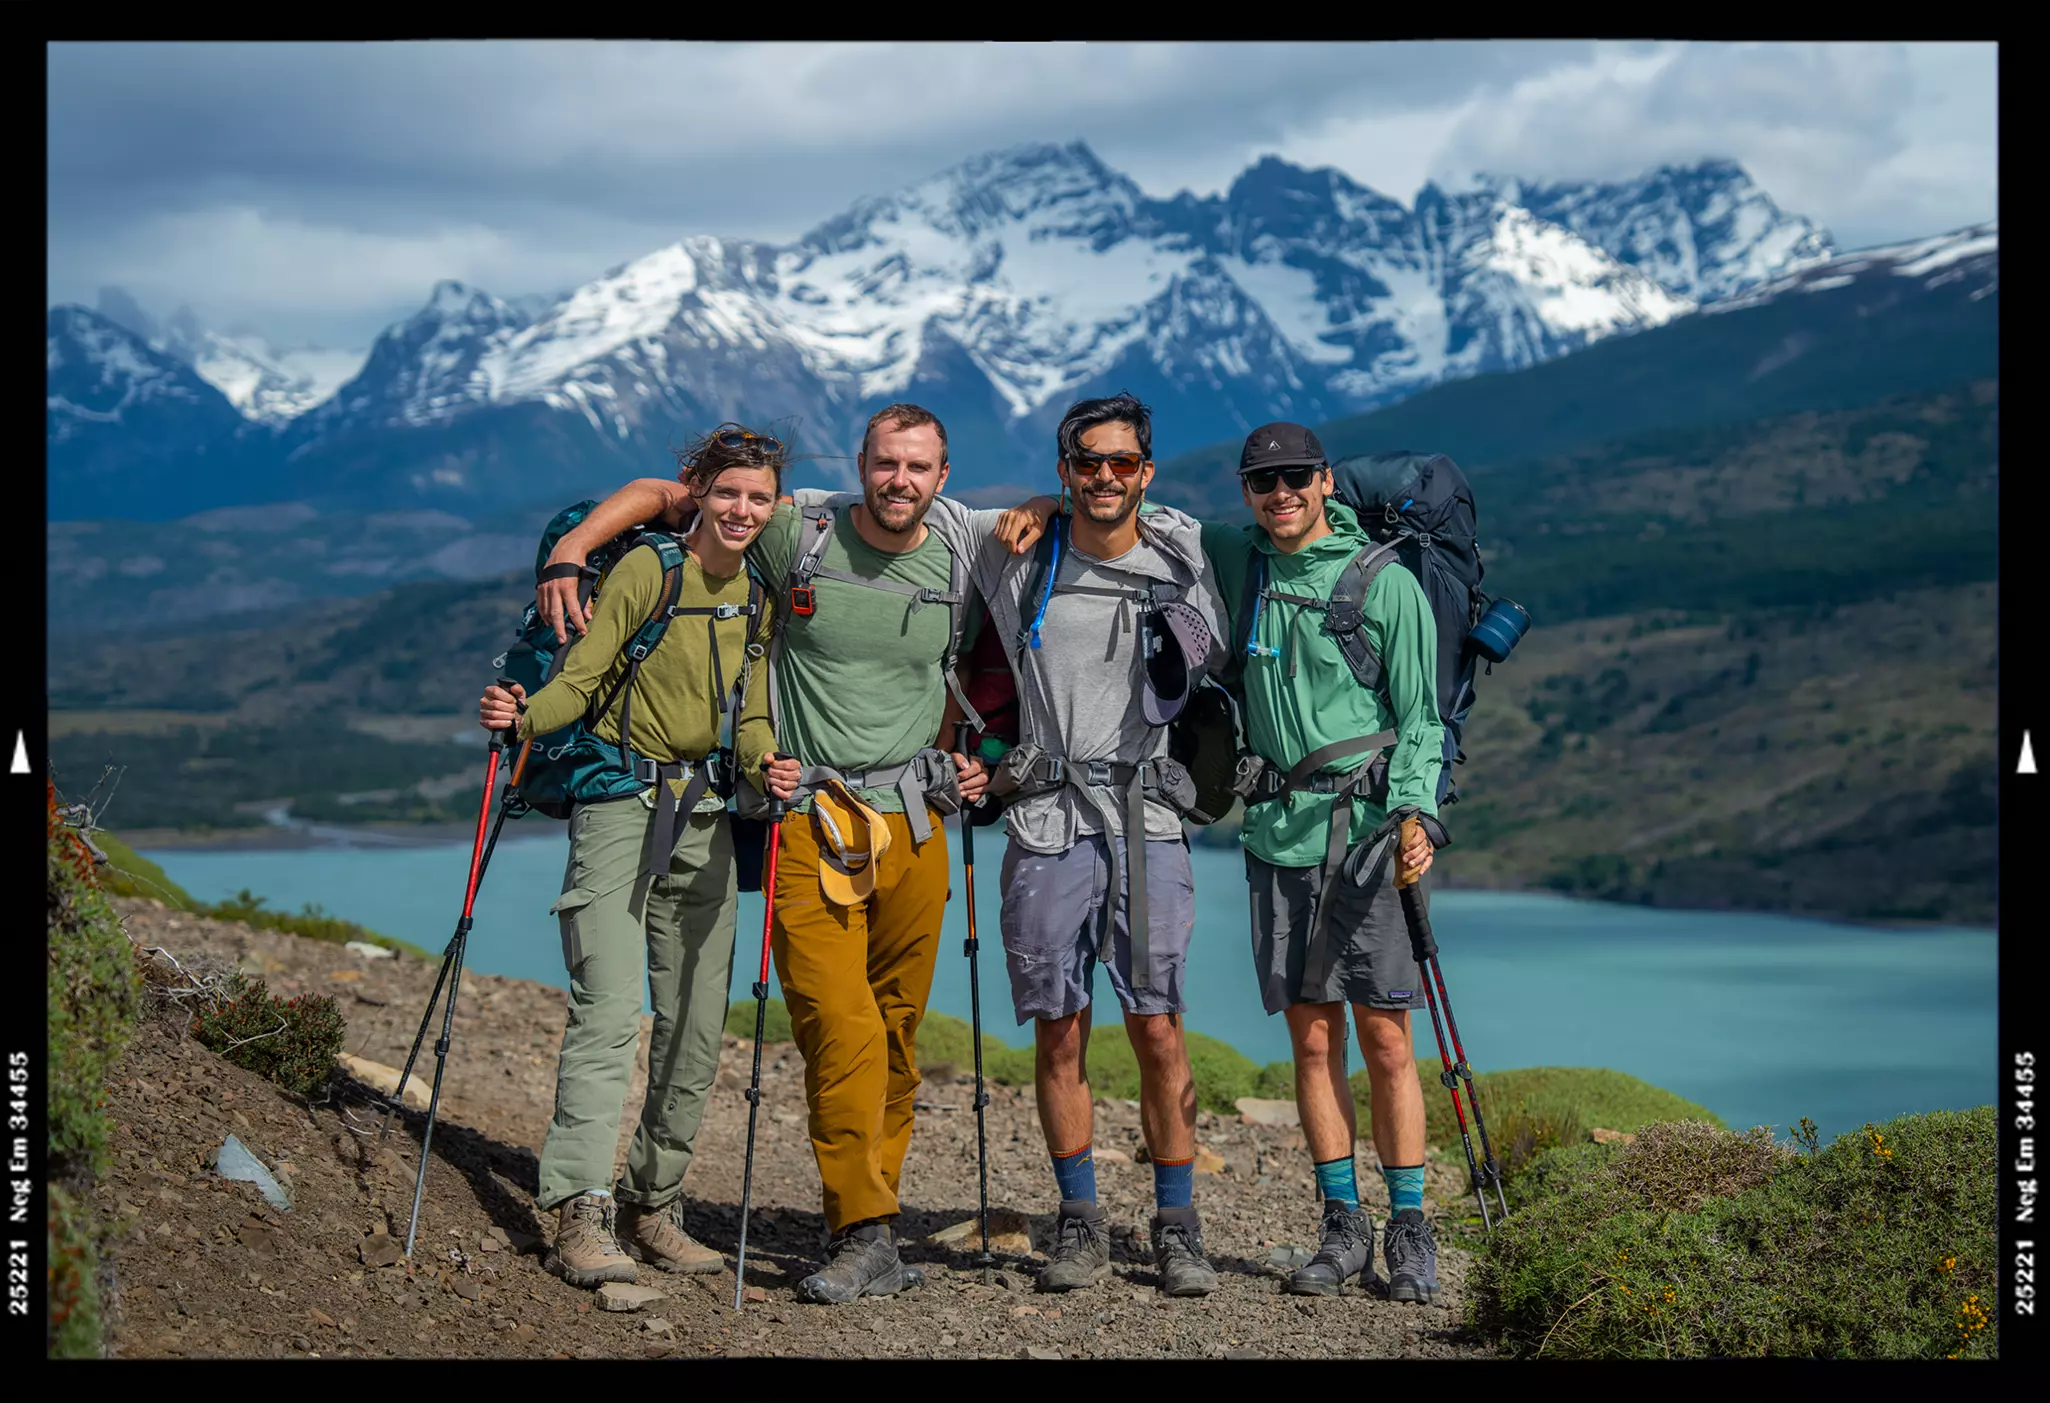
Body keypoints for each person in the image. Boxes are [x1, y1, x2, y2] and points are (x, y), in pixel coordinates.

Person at [536, 405, 1011, 1304]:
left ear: (943, 477)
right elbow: (663, 493)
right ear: (859, 465)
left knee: (897, 1037)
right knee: (843, 1024)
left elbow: (999, 624)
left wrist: (974, 763)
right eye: (884, 463)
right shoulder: (797, 528)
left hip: (916, 818)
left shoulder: (966, 548)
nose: (899, 480)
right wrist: (569, 557)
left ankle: (860, 1216)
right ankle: (864, 1229)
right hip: (812, 817)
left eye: (917, 467)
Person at [994, 421, 1445, 1304]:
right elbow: (1126, 510)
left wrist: (1417, 809)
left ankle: (1411, 1227)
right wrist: (1054, 503)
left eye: (1295, 478)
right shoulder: (1240, 561)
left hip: (1367, 835)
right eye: (1262, 481)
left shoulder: (1385, 585)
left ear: (1325, 482)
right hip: (1278, 833)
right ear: (1247, 492)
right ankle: (1341, 1225)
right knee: (1312, 1040)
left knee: (1386, 1040)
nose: (1279, 494)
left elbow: (1421, 712)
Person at [477, 425, 801, 1290]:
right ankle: (581, 1208)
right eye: (729, 492)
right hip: (621, 803)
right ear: (703, 493)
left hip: (707, 817)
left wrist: (767, 762)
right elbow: (581, 681)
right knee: (610, 1010)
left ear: (775, 507)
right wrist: (523, 718)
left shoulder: (760, 593)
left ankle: (652, 1201)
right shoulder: (646, 571)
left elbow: (755, 707)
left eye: (758, 498)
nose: (741, 510)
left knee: (697, 1024)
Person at [943, 392, 1229, 1297]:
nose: (1105, 476)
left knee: (1157, 1025)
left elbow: (1211, 658)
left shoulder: (1180, 550)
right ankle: (1078, 1221)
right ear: (1065, 470)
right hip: (1046, 816)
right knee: (1058, 1028)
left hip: (1148, 819)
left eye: (1121, 462)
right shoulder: (1016, 550)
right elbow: (902, 507)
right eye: (1085, 463)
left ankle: (1176, 1225)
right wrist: (1035, 505)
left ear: (1146, 470)